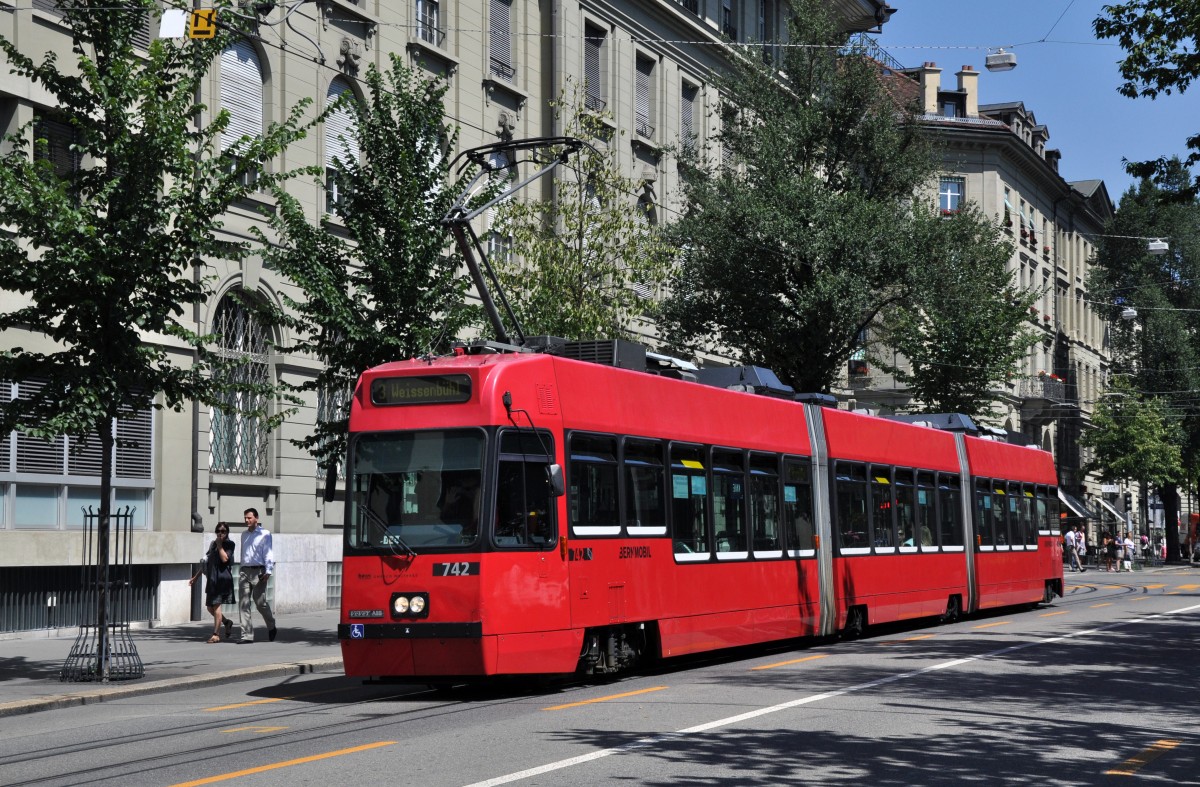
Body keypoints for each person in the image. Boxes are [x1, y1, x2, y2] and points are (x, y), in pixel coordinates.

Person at [188, 523, 236, 642]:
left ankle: (216, 634)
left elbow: (225, 558)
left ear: (227, 532)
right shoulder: (212, 545)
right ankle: (227, 622)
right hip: (212, 579)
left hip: (222, 579)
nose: (220, 533)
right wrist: (196, 577)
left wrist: (220, 545)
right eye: (218, 531)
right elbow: (207, 562)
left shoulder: (230, 544)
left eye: (223, 531)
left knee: (216, 606)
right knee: (210, 608)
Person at [238, 508, 277, 643]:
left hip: (259, 571)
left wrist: (268, 571)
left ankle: (271, 624)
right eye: (245, 518)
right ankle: (247, 635)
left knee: (260, 603)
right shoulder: (244, 535)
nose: (247, 520)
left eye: (249, 518)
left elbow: (268, 552)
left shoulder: (265, 534)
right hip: (244, 571)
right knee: (244, 603)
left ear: (256, 518)